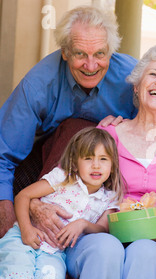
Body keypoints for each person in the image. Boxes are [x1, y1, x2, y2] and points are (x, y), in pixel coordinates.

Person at [32, 45, 156, 279]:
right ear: (136, 85)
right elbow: (59, 181)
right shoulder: (107, 135)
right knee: (106, 247)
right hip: (93, 237)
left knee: (145, 252)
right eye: (153, 74)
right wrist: (34, 204)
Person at [0, 5, 137, 238]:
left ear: (112, 51)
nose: (91, 66)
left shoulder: (134, 78)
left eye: (100, 54)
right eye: (80, 54)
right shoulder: (38, 84)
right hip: (43, 168)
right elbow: (3, 155)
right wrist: (9, 217)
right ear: (65, 52)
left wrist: (125, 128)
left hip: (107, 176)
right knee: (76, 128)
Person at [0, 127, 123, 279]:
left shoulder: (109, 198)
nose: (96, 165)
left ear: (113, 164)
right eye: (88, 158)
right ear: (74, 161)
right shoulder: (63, 177)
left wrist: (83, 224)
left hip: (54, 253)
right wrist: (26, 230)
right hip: (22, 241)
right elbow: (23, 196)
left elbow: (103, 229)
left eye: (103, 159)